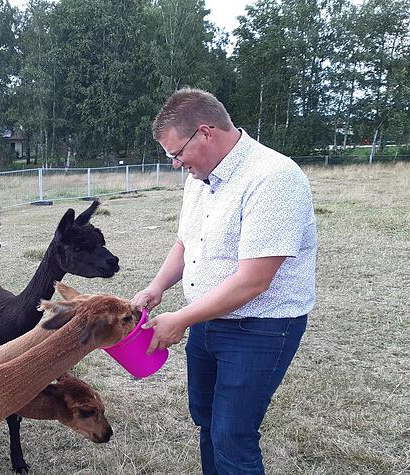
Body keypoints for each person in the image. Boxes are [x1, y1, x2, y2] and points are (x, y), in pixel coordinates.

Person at [132, 87, 317, 474]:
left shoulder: (273, 178)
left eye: (177, 153)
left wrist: (181, 319)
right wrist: (157, 286)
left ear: (205, 132)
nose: (176, 164)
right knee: (207, 420)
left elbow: (254, 281)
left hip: (260, 328)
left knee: (233, 436)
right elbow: (186, 242)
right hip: (206, 321)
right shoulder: (199, 179)